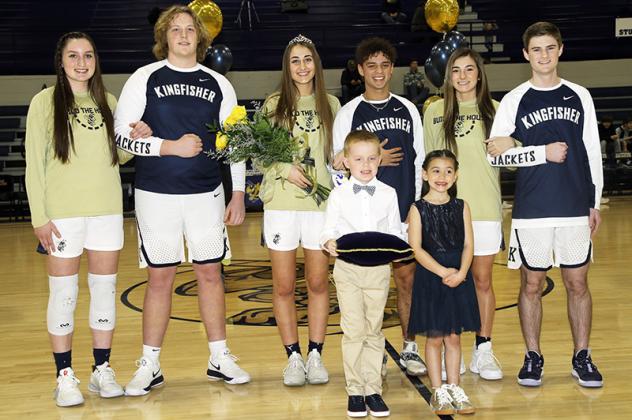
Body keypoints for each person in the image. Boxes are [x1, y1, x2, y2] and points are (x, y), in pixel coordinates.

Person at [114, 5, 250, 395]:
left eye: (190, 29)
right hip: (156, 194)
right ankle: (150, 364)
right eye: (176, 29)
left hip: (207, 193)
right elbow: (121, 136)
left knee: (210, 274)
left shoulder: (219, 84)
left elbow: (237, 142)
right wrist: (167, 146)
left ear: (201, 37)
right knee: (160, 278)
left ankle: (219, 356)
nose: (184, 35)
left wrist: (238, 192)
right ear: (164, 36)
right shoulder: (144, 78)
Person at [24, 32, 153, 407]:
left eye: (89, 55)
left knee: (104, 291)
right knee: (64, 295)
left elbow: (121, 157)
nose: (82, 62)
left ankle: (102, 369)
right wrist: (39, 218)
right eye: (73, 55)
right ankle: (64, 375)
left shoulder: (108, 101)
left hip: (107, 211)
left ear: (96, 60)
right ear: (60, 60)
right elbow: (34, 164)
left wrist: (138, 135)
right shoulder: (43, 102)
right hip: (62, 215)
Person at [486, 21, 604, 388]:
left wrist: (594, 201)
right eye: (536, 49)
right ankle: (533, 355)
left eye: (550, 48)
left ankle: (581, 356)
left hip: (572, 205)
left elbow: (591, 152)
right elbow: (495, 156)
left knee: (578, 284)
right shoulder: (514, 99)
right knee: (532, 284)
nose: (544, 55)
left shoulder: (579, 95)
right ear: (526, 54)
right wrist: (540, 153)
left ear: (560, 50)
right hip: (532, 208)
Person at [332, 37, 426, 377]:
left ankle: (410, 346)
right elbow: (336, 165)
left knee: (406, 280)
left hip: (401, 211)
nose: (379, 72)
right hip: (361, 219)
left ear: (392, 68)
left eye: (385, 65)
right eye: (371, 65)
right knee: (368, 286)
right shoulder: (349, 113)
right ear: (360, 70)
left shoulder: (409, 109)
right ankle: (374, 350)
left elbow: (418, 163)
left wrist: (414, 208)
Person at [424, 47, 511, 381]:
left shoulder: (498, 110)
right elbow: (428, 164)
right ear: (448, 77)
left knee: (482, 281)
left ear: (479, 74)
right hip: (446, 211)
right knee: (448, 280)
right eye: (456, 70)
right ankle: (451, 347)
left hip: (485, 207)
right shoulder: (434, 111)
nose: (462, 76)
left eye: (469, 69)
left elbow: (513, 153)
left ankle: (484, 349)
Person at [260, 34, 340, 387]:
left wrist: (342, 161)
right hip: (281, 205)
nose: (302, 66)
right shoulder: (273, 104)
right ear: (287, 65)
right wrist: (283, 169)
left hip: (319, 206)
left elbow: (337, 157)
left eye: (308, 59)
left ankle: (316, 354)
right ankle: (292, 356)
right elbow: (261, 155)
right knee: (284, 285)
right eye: (295, 60)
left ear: (316, 64)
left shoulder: (332, 105)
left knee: (319, 282)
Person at [321, 130, 402, 418]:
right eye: (358, 159)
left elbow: (395, 231)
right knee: (353, 330)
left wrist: (402, 246)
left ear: (380, 159)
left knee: (374, 330)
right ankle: (355, 391)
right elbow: (328, 230)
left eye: (371, 158)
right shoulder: (338, 195)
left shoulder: (389, 194)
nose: (365, 165)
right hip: (347, 270)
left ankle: (374, 390)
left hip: (379, 271)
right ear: (346, 162)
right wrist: (328, 242)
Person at [408, 149, 479, 415]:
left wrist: (461, 272)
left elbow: (469, 244)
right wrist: (442, 272)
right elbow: (416, 248)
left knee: (454, 337)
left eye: (448, 171)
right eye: (436, 170)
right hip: (432, 277)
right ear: (425, 174)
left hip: (458, 277)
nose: (442, 176)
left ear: (456, 175)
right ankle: (437, 390)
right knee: (435, 337)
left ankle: (454, 388)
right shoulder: (417, 209)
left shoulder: (462, 206)